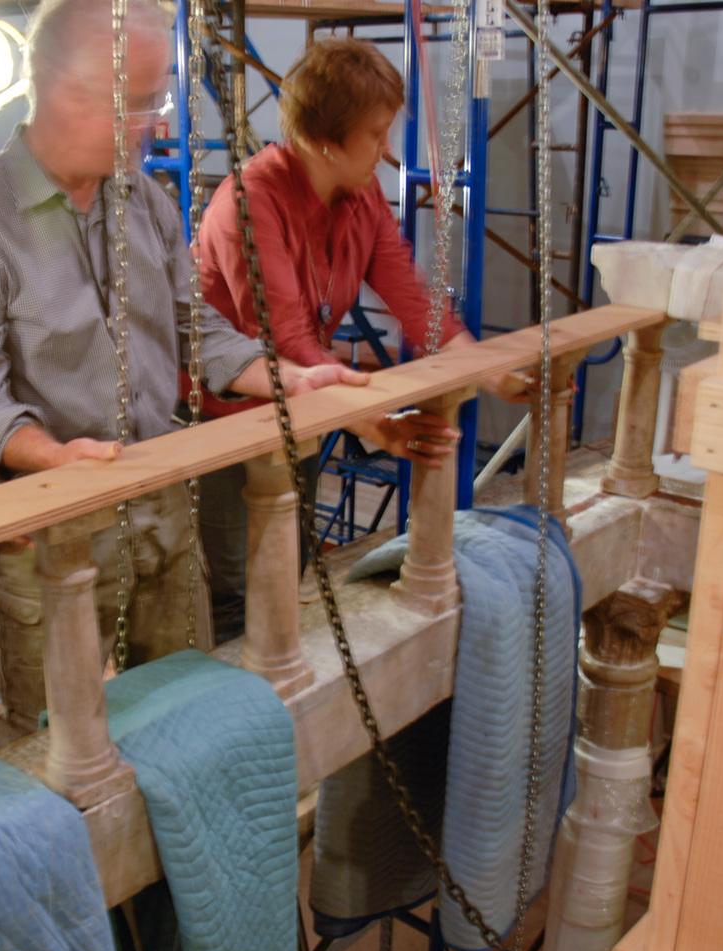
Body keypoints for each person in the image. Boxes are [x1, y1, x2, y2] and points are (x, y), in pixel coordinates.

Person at [0, 0, 376, 746]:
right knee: (48, 747)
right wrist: (58, 459)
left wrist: (288, 377)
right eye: (123, 101)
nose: (149, 125)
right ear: (49, 84)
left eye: (153, 101)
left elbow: (200, 332)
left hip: (162, 503)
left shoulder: (149, 204)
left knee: (181, 716)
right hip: (48, 532)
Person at [193, 38, 530, 642]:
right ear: (327, 138)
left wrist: (492, 371)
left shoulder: (361, 197)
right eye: (375, 135)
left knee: (283, 572)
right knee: (238, 593)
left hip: (302, 406)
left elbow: (412, 297)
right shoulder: (251, 199)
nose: (386, 151)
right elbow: (289, 340)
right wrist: (376, 424)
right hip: (222, 418)